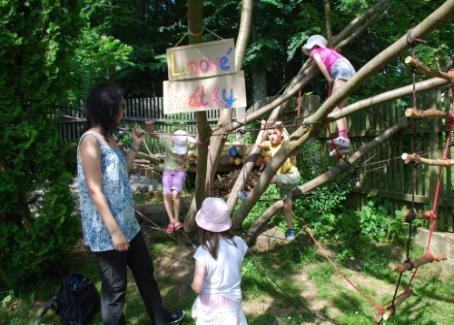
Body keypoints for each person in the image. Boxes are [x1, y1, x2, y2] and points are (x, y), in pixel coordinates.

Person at [77, 83, 184, 325]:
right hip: (108, 231)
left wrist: (134, 146)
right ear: (108, 108)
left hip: (129, 224)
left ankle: (161, 319)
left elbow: (121, 174)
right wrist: (114, 231)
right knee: (115, 291)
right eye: (121, 107)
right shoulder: (90, 142)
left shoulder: (109, 138)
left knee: (146, 274)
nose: (123, 112)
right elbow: (94, 189)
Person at [191, 197, 248, 325]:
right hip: (232, 306)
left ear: (203, 226)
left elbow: (197, 287)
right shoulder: (239, 243)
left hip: (209, 309)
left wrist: (193, 286)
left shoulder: (202, 251)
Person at [302, 34, 356, 157]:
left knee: (334, 105)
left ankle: (343, 138)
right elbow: (315, 62)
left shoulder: (315, 51)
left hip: (341, 72)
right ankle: (343, 145)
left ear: (311, 46)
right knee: (339, 109)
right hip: (350, 72)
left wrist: (328, 78)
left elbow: (320, 63)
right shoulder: (328, 51)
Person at [146, 121, 195, 234]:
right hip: (168, 170)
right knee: (166, 194)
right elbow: (153, 135)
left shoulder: (187, 139)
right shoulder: (167, 139)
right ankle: (172, 221)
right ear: (172, 140)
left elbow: (199, 141)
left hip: (180, 171)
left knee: (175, 194)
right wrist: (149, 126)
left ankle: (176, 219)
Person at [257, 120, 301, 240]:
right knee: (287, 207)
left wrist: (282, 126)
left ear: (281, 133)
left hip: (292, 177)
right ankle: (291, 229)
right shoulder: (269, 145)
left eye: (274, 133)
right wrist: (262, 128)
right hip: (282, 182)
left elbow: (289, 138)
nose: (271, 136)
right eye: (269, 134)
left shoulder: (285, 144)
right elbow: (258, 144)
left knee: (267, 178)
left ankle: (252, 191)